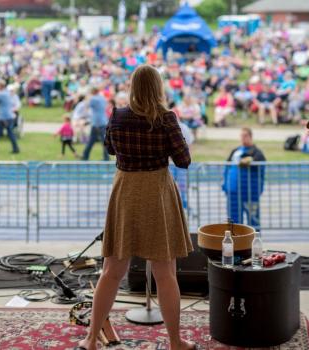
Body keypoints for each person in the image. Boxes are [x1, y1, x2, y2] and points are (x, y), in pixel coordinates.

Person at [76, 65, 196, 350]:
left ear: (132, 87)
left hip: (126, 192)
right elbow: (184, 160)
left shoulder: (117, 116)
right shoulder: (166, 119)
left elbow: (109, 148)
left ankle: (91, 339)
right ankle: (176, 342)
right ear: (158, 88)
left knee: (111, 271)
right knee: (165, 273)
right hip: (156, 193)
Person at [222, 127, 266, 231]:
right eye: (241, 136)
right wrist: (225, 186)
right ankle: (237, 245)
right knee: (234, 222)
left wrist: (251, 160)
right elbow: (226, 168)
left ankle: (255, 244)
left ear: (250, 137)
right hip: (233, 193)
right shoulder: (235, 151)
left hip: (250, 194)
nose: (243, 138)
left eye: (245, 136)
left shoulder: (257, 152)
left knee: (254, 221)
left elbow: (262, 170)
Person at [82, 87, 109, 161]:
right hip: (103, 122)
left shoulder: (93, 99)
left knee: (91, 141)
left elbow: (86, 106)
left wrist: (87, 97)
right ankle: (106, 158)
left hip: (96, 123)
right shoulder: (102, 98)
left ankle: (85, 156)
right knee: (104, 142)